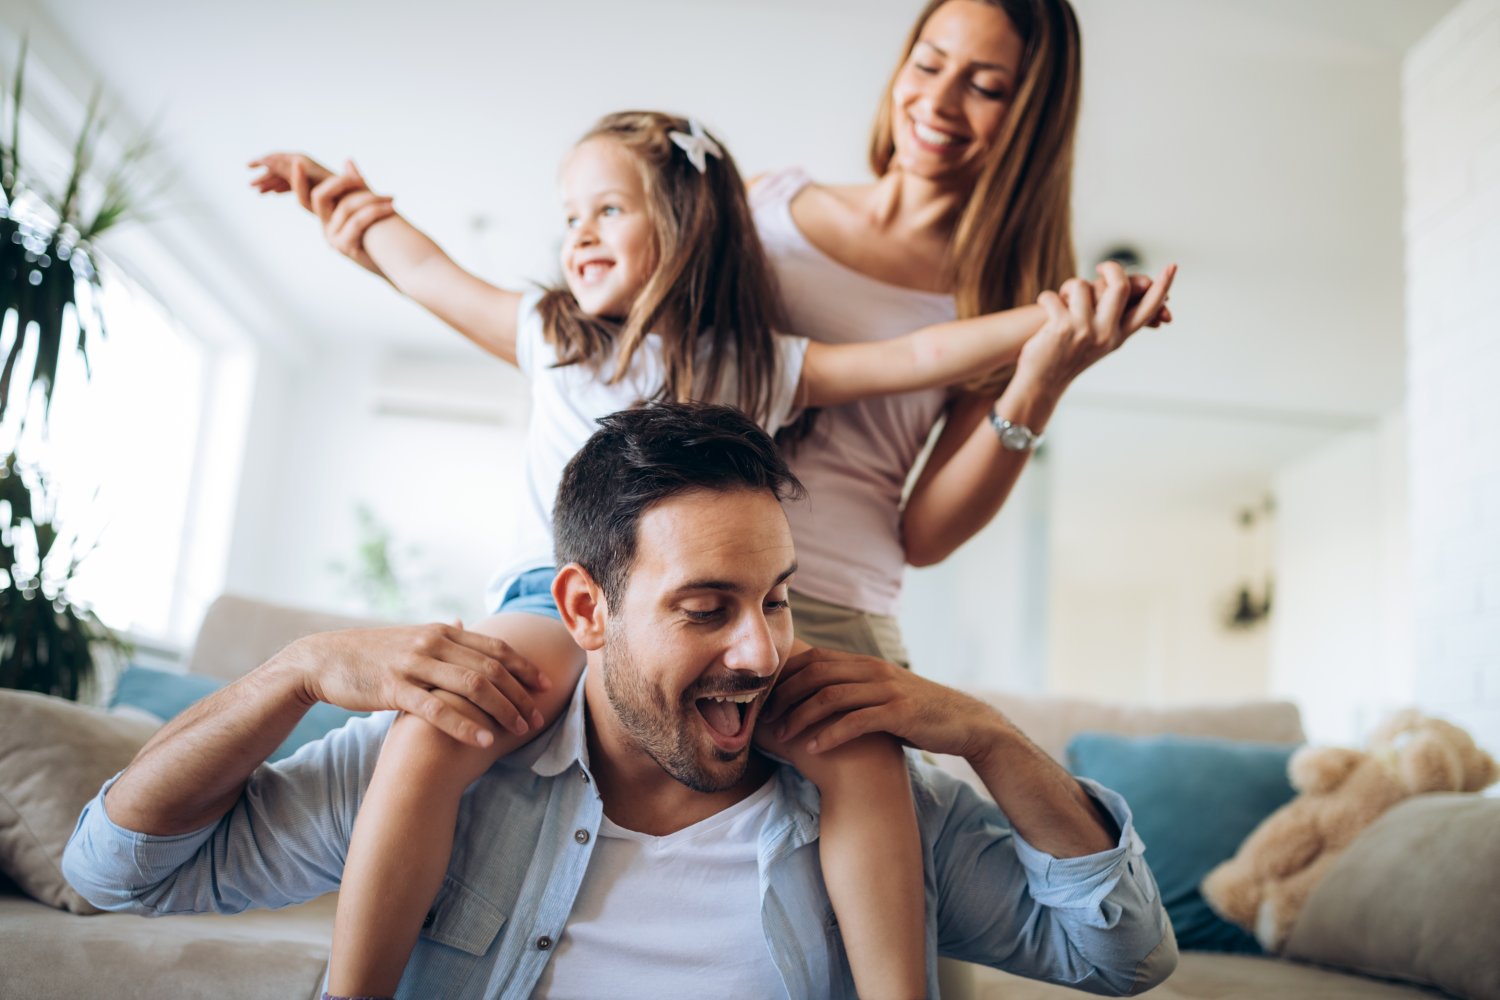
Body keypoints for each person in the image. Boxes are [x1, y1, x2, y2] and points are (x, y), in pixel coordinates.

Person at [245, 110, 1171, 999]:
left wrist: (1062, 323)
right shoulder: (553, 332)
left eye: (607, 209)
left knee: (864, 756)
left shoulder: (761, 362)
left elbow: (920, 351)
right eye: (570, 215)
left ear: (683, 224)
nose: (579, 233)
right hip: (549, 597)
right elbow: (427, 272)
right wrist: (356, 214)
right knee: (439, 726)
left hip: (700, 605)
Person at [63, 401, 1178, 999]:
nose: (761, 650)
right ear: (585, 608)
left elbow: (1121, 958)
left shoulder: (865, 792)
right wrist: (289, 671)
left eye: (778, 601)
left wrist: (985, 735)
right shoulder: (464, 749)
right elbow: (112, 871)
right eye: (706, 608)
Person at [753, 0, 1163, 666]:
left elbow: (927, 536)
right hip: (683, 576)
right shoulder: (764, 204)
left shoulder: (1001, 300)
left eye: (985, 86)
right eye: (929, 63)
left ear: (1030, 118)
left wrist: (1041, 378)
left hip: (835, 603)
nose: (938, 100)